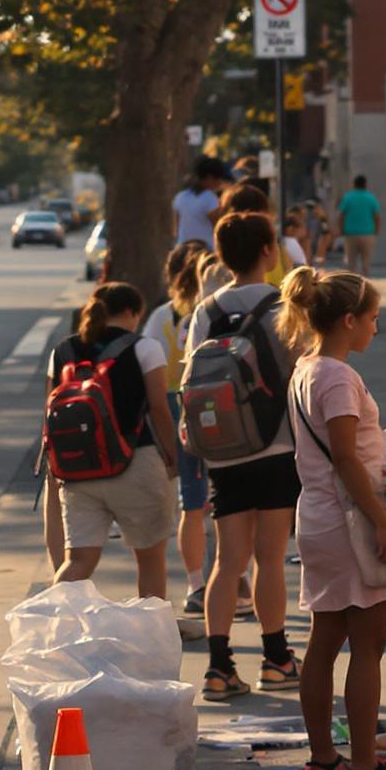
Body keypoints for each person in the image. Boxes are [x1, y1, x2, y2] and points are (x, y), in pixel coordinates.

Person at [281, 267, 386, 770]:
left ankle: (324, 760)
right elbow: (344, 456)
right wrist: (383, 522)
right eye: (372, 318)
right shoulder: (339, 377)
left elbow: (342, 446)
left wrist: (384, 437)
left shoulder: (308, 369)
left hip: (320, 516)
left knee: (324, 642)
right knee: (368, 647)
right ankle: (365, 769)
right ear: (348, 320)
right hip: (350, 520)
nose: (376, 327)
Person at [188, 211, 303, 700]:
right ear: (267, 251)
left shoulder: (206, 310)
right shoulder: (285, 306)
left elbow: (194, 379)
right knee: (270, 559)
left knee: (227, 562)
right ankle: (275, 658)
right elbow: (301, 373)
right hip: (276, 445)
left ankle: (218, 667)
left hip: (224, 450)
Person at [43, 282, 180, 599]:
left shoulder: (63, 350)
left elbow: (49, 408)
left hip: (77, 470)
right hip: (135, 462)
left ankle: (55, 631)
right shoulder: (144, 348)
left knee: (77, 562)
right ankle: (151, 636)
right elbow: (159, 409)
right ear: (133, 313)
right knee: (149, 559)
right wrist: (172, 456)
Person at [144, 243, 216, 626]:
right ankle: (236, 579)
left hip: (175, 405)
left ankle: (195, 585)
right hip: (219, 405)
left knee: (191, 499)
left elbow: (147, 370)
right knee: (226, 498)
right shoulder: (216, 309)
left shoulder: (162, 317)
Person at [171, 158, 229, 246]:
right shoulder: (210, 198)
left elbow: (176, 229)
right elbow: (218, 227)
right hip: (205, 250)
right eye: (218, 179)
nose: (219, 183)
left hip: (182, 248)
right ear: (209, 178)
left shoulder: (180, 197)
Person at [338, 174, 379, 275]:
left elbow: (341, 215)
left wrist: (341, 229)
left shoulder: (348, 198)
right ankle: (366, 285)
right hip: (368, 233)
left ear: (354, 184)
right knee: (366, 262)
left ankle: (352, 286)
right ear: (365, 184)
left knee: (351, 263)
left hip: (351, 234)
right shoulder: (371, 198)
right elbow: (376, 216)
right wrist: (376, 230)